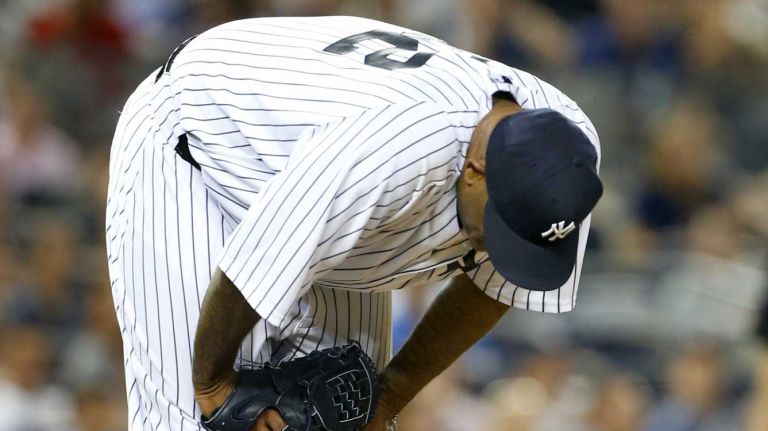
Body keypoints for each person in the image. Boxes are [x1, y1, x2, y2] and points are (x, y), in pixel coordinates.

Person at [105, 15, 602, 431]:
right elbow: (254, 265)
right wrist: (211, 388)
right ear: (476, 166)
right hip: (205, 140)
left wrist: (388, 400)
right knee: (196, 422)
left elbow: (492, 290)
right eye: (499, 229)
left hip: (330, 189)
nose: (500, 246)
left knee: (346, 416)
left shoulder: (566, 159)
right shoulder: (393, 151)